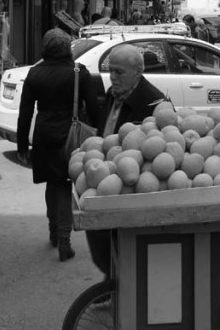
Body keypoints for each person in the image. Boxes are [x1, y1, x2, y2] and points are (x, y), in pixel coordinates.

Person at [16, 29, 101, 261]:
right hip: (70, 136)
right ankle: (64, 238)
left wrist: (22, 146)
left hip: (43, 134)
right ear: (67, 49)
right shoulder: (78, 73)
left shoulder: (34, 73)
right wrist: (101, 136)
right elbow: (94, 108)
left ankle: (54, 230)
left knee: (52, 183)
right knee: (64, 183)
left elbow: (24, 114)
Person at [86, 44, 168, 277]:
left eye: (119, 72)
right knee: (98, 232)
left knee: (115, 237)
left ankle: (118, 283)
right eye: (110, 70)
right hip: (108, 172)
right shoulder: (114, 94)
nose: (112, 77)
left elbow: (158, 149)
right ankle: (113, 279)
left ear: (137, 72)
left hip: (133, 183)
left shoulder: (155, 102)